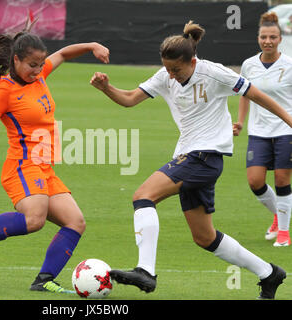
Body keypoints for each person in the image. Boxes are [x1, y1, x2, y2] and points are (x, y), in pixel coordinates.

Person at [90, 21, 290, 299]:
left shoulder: (214, 73)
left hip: (205, 157)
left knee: (143, 196)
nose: (171, 76)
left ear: (193, 61)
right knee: (205, 237)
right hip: (189, 156)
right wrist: (106, 88)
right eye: (167, 68)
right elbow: (129, 99)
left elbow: (256, 95)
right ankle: (269, 274)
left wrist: (290, 120)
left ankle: (146, 270)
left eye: (176, 69)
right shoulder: (165, 75)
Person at [0, 19, 110, 293]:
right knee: (34, 220)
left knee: (76, 222)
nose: (38, 71)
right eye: (32, 65)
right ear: (16, 60)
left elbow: (61, 54)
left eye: (40, 65)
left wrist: (92, 45)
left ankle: (44, 280)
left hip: (45, 168)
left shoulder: (39, 74)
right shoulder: (3, 91)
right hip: (22, 166)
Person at [233, 13, 292, 247]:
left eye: (273, 37)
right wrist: (240, 122)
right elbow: (245, 94)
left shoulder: (289, 65)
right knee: (255, 181)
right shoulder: (248, 64)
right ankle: (278, 215)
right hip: (259, 131)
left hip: (286, 129)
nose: (268, 41)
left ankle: (284, 233)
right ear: (258, 38)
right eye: (264, 37)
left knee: (281, 178)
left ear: (280, 39)